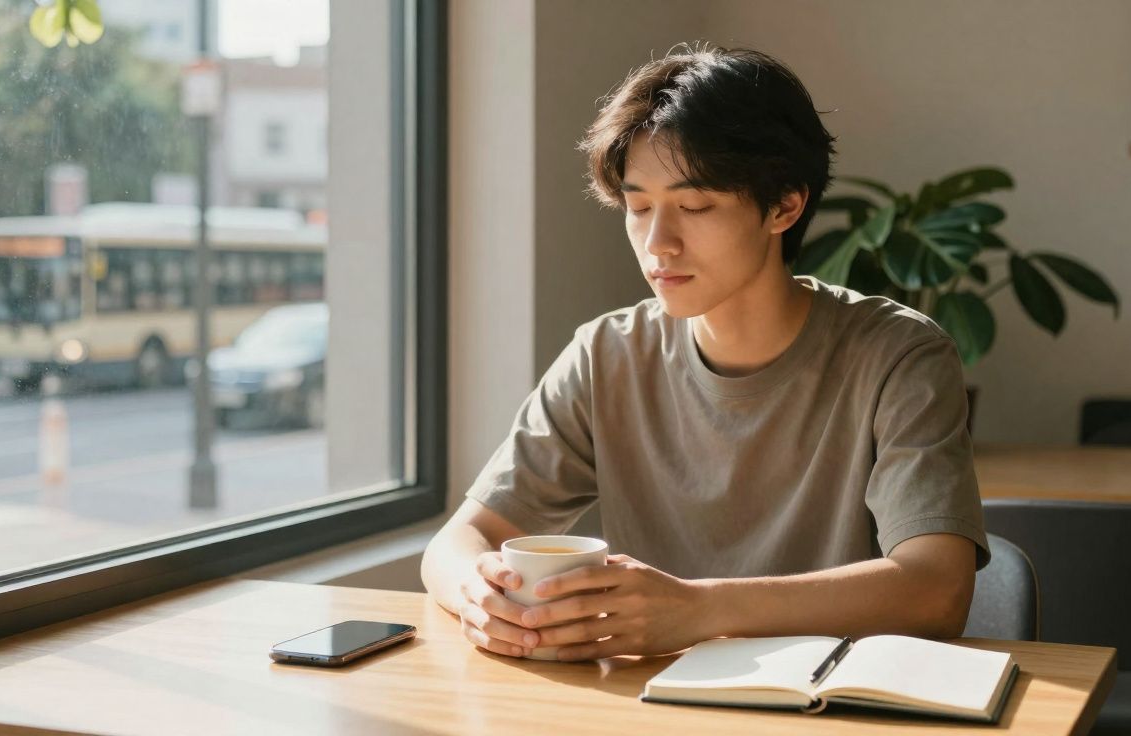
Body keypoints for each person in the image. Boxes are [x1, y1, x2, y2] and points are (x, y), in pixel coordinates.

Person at [420, 43, 988, 662]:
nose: (657, 243)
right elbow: (462, 538)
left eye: (694, 206)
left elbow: (938, 589)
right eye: (639, 208)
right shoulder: (607, 355)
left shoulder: (899, 356)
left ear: (785, 206)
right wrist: (478, 594)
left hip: (830, 703)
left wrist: (699, 610)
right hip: (651, 705)